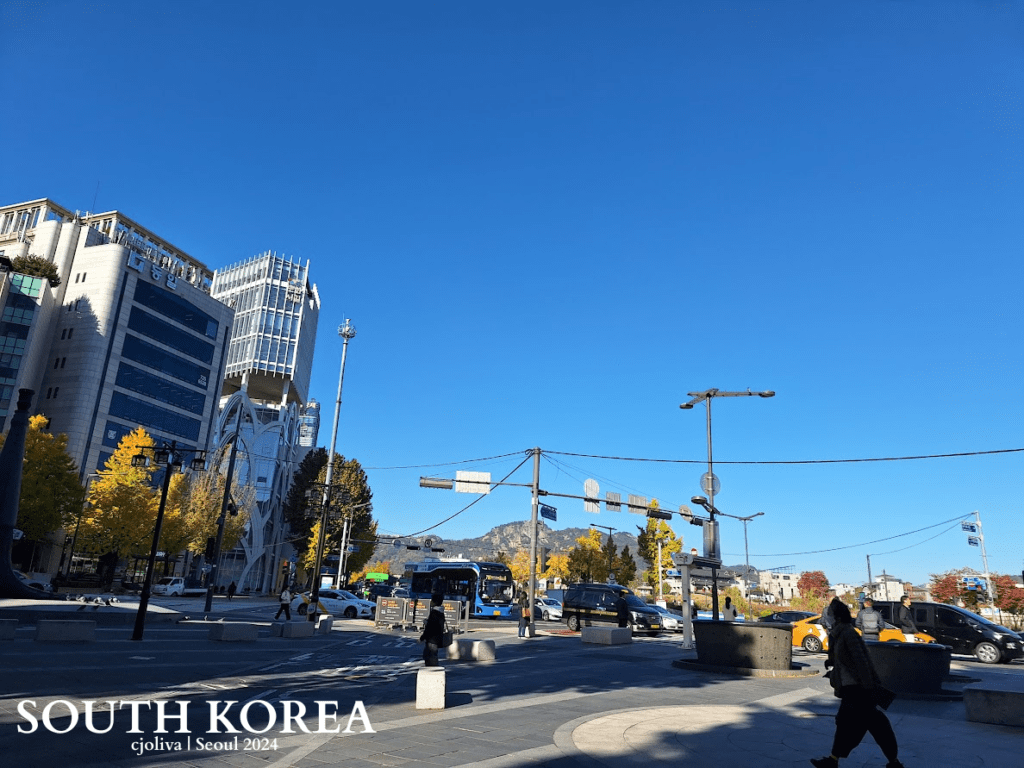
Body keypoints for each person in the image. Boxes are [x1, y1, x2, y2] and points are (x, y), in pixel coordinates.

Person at [811, 600, 903, 768]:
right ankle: (893, 762)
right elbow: (845, 661)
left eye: (830, 614)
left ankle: (834, 760)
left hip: (858, 690)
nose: (828, 617)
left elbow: (861, 662)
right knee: (866, 724)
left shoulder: (848, 634)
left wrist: (869, 688)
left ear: (838, 617)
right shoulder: (840, 634)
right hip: (852, 688)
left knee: (861, 724)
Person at [420, 594, 446, 666]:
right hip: (437, 638)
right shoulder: (441, 612)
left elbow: (430, 627)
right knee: (433, 655)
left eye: (432, 600)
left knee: (429, 656)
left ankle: (431, 671)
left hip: (432, 639)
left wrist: (422, 637)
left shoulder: (434, 613)